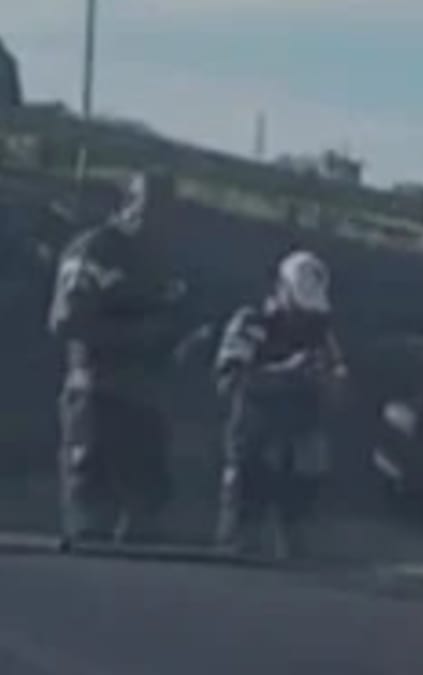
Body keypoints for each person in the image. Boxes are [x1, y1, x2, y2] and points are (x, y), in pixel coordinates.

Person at [48, 171, 190, 546]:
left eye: (168, 211)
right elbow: (65, 321)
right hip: (96, 399)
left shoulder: (163, 262)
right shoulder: (95, 248)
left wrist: (181, 346)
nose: (159, 220)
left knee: (148, 526)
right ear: (128, 204)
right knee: (90, 522)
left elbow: (168, 330)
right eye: (150, 207)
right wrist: (137, 335)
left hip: (145, 408)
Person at [214, 250, 347, 559]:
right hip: (254, 447)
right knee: (241, 543)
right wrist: (286, 372)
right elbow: (229, 379)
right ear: (281, 289)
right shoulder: (252, 322)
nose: (304, 317)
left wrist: (328, 381)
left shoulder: (321, 332)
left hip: (301, 456)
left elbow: (340, 386)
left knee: (302, 550)